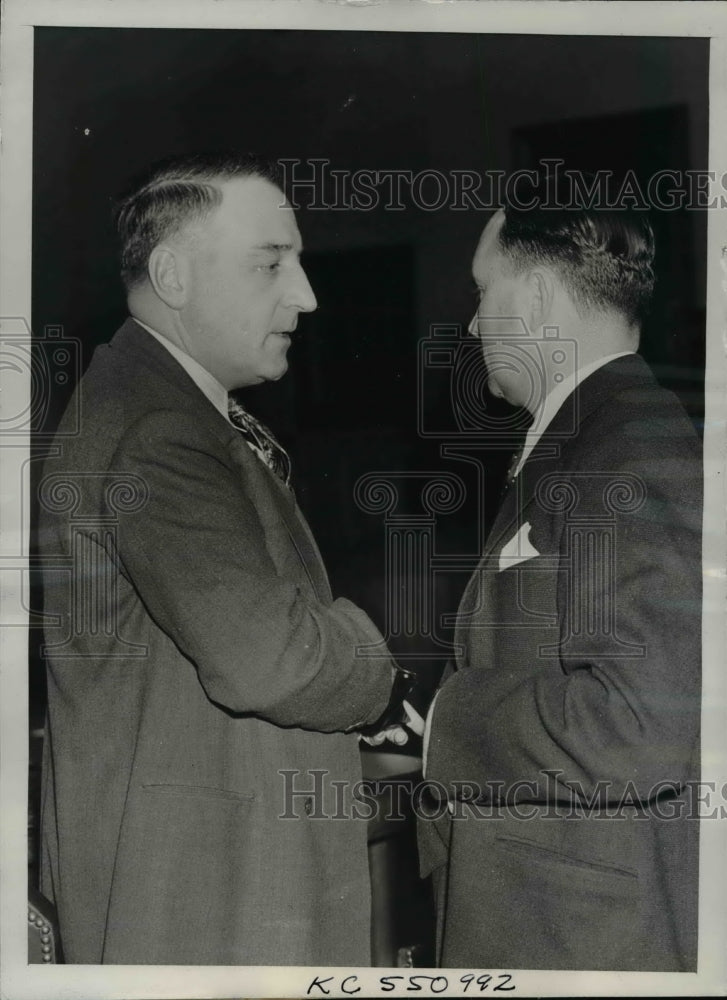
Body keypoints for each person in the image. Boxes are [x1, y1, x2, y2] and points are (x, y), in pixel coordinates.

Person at [37, 152, 407, 965]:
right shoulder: (158, 429)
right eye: (272, 263)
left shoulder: (165, 405)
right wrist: (379, 674)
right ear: (172, 273)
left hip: (207, 873)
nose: (305, 295)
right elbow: (266, 661)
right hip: (205, 893)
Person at [419, 190, 702, 970]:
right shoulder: (595, 433)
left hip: (583, 933)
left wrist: (449, 720)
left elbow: (640, 725)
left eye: (483, 294)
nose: (473, 326)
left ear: (538, 296)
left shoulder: (627, 451)